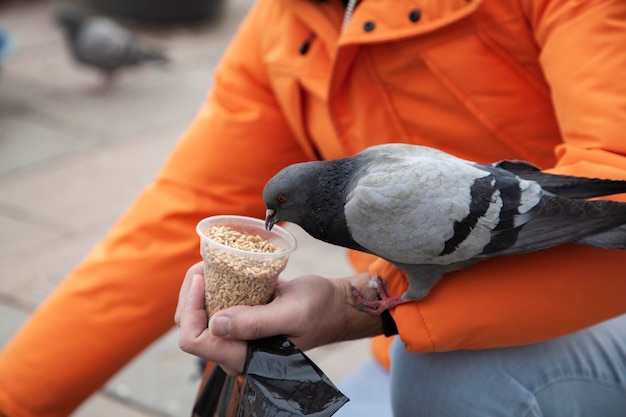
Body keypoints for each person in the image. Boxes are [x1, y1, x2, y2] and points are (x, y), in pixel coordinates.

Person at [2, 0, 626, 416]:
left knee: (448, 377)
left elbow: (616, 183)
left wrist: (370, 313)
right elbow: (177, 218)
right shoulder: (287, 25)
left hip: (588, 299)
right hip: (420, 321)